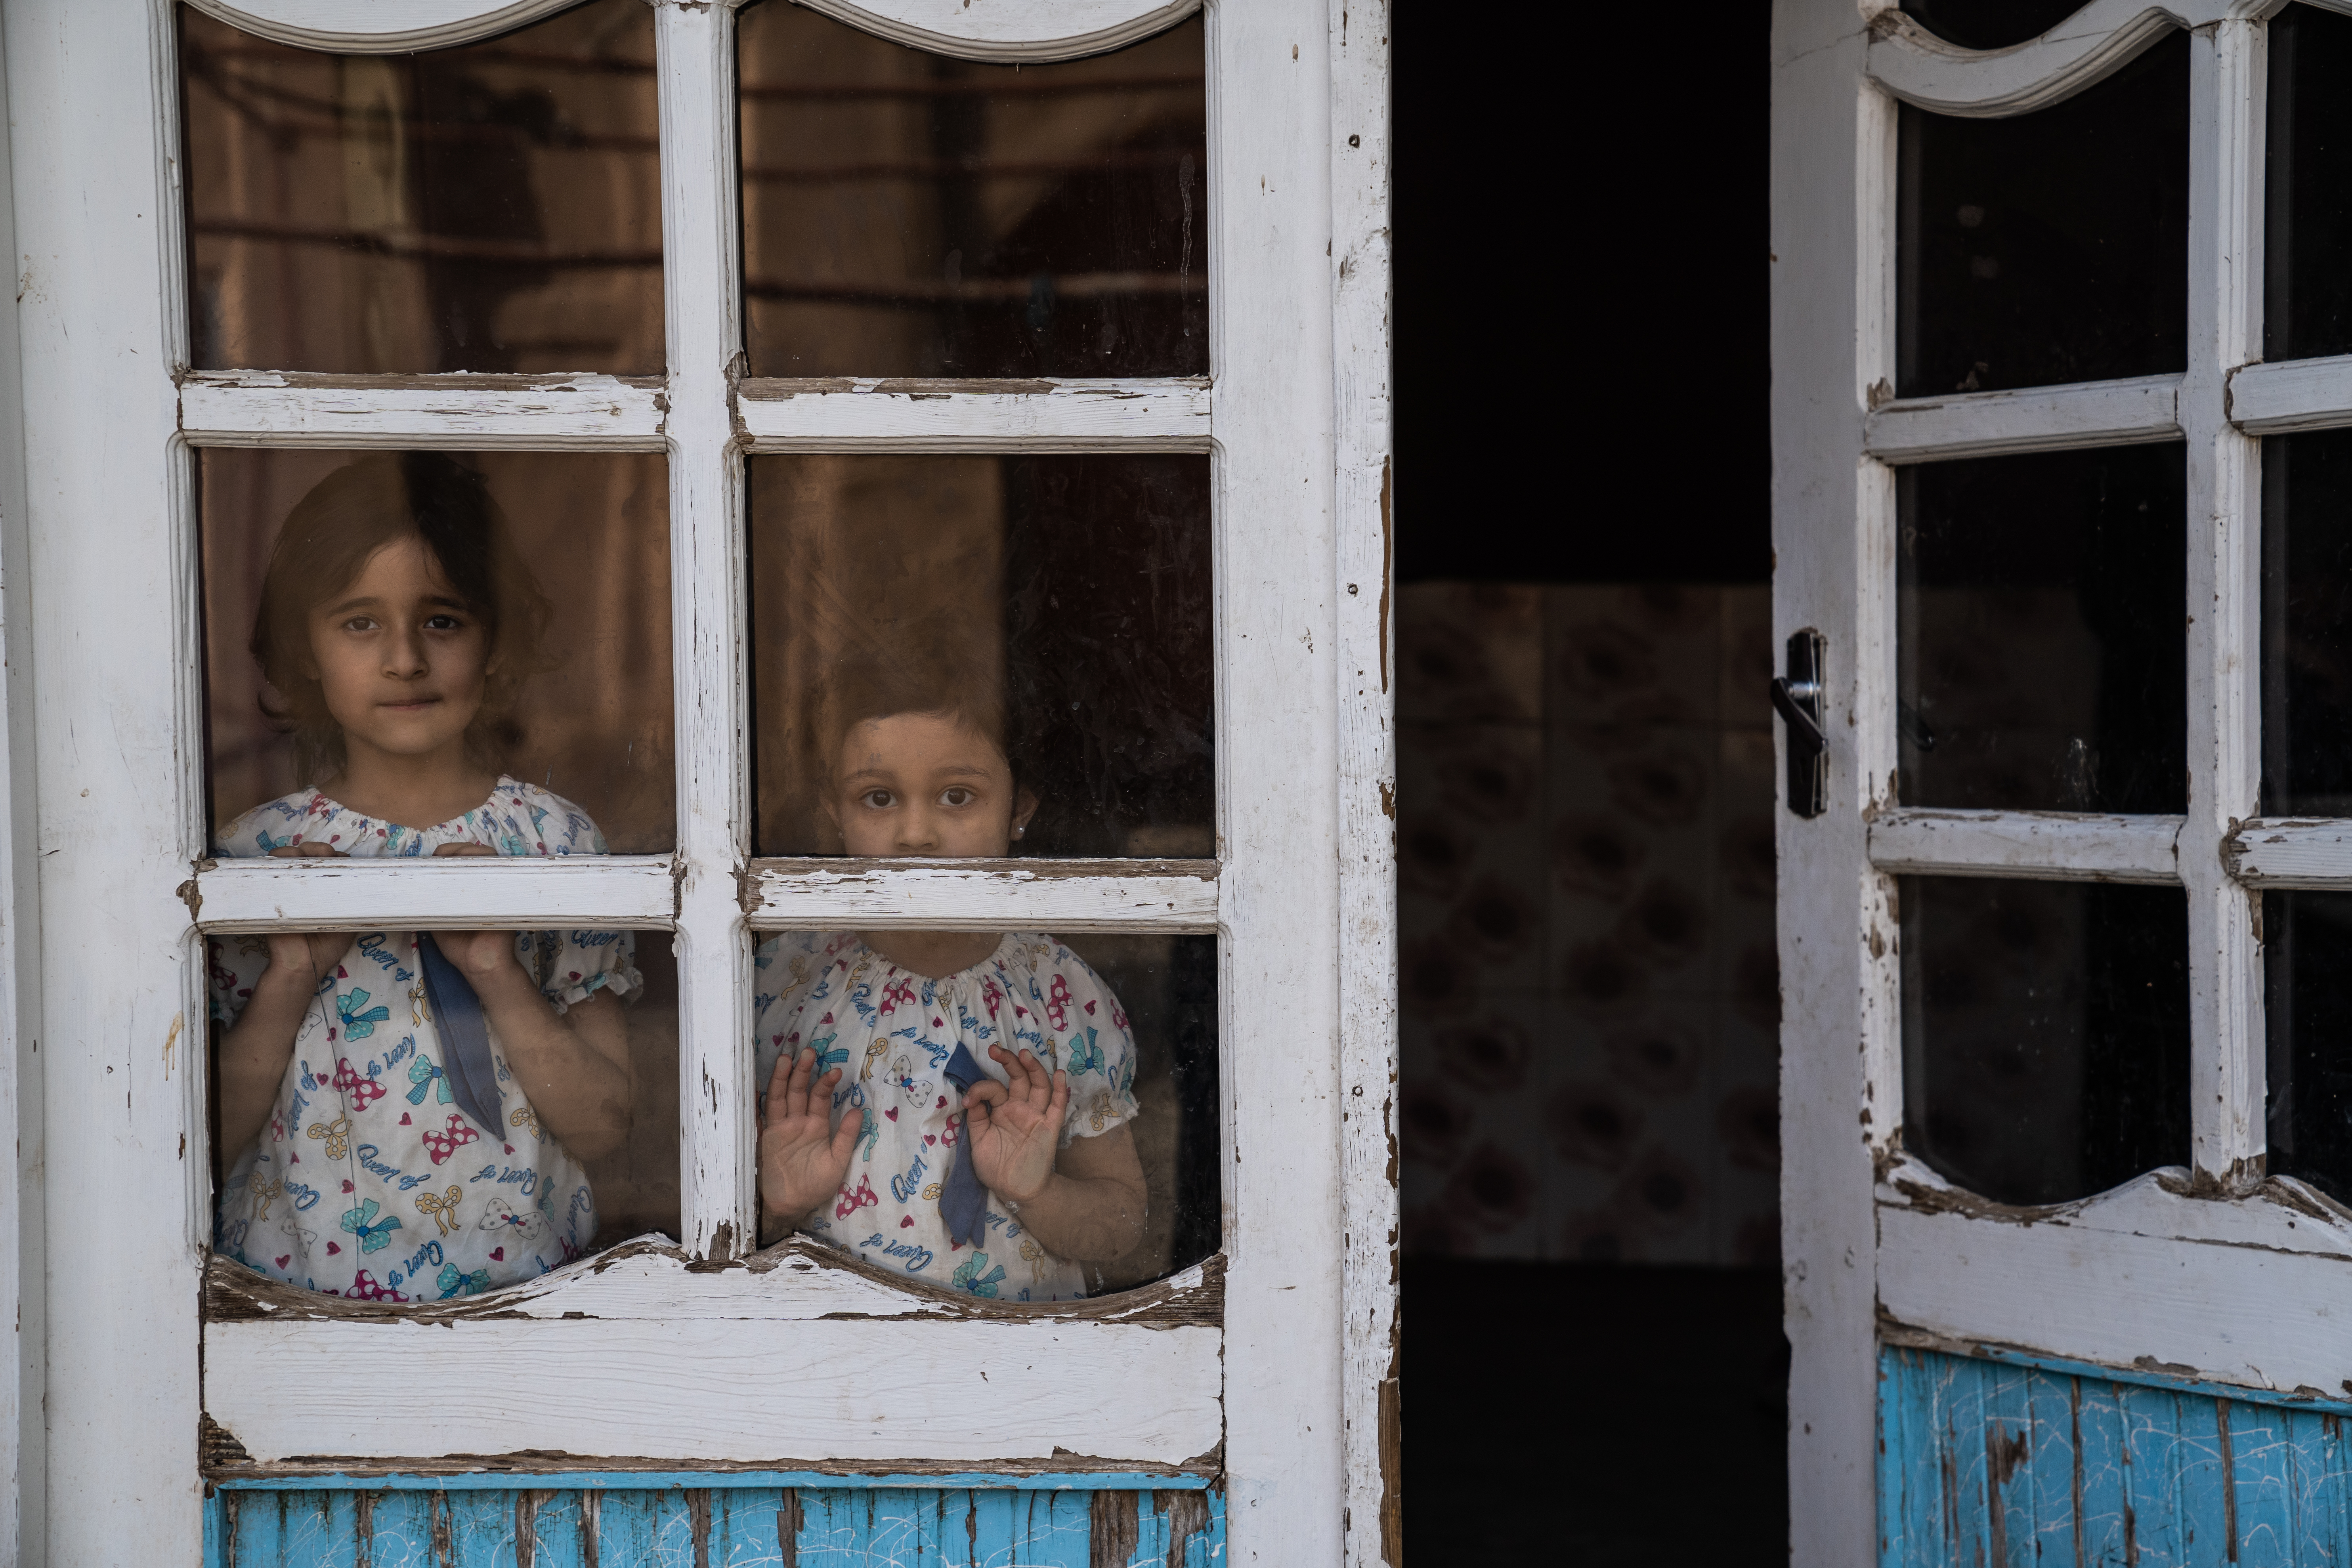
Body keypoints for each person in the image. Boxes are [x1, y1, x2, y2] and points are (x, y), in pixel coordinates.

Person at [208, 453, 639, 1301]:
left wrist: (496, 972)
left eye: (441, 621)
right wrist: (291, 974)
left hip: (523, 1303)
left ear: (496, 639)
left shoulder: (552, 843)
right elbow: (197, 1138)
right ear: (304, 645)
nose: (404, 658)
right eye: (360, 623)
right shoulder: (257, 856)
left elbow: (607, 1125)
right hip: (294, 1310)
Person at [752, 661, 1148, 1301]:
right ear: (834, 811)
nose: (917, 833)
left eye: (957, 795)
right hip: (829, 1372)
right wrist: (776, 1209)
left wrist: (1039, 1191)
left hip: (1019, 1368)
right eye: (878, 797)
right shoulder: (779, 984)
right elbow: (708, 1229)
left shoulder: (1062, 993)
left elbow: (1124, 1224)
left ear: (1019, 808)